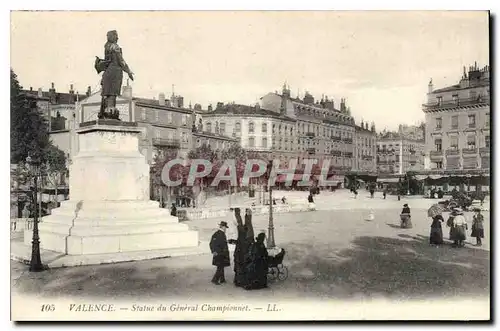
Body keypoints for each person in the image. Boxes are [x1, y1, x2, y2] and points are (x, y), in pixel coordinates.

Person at [228, 208, 253, 287]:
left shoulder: (241, 236)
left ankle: (238, 281)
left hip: (239, 255)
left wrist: (231, 241)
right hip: (241, 255)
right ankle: (241, 281)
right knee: (242, 268)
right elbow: (246, 223)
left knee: (239, 268)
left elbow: (240, 223)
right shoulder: (245, 236)